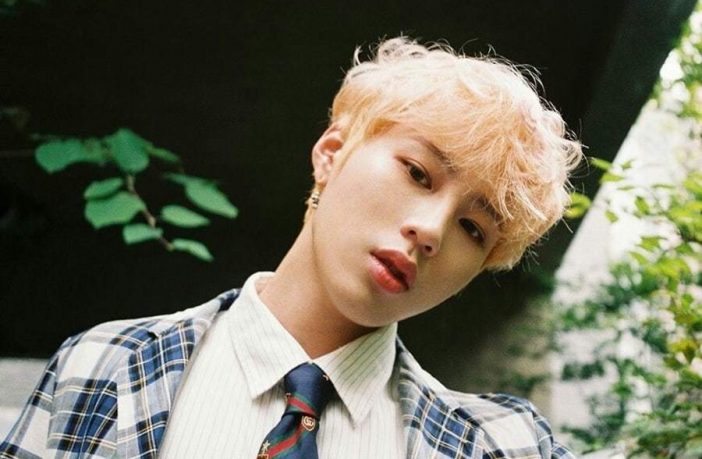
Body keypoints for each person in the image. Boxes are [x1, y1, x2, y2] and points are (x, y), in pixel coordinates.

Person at [1, 37, 583, 458]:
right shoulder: (103, 366)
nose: (431, 230)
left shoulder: (502, 445)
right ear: (331, 154)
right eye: (417, 172)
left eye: (474, 229)